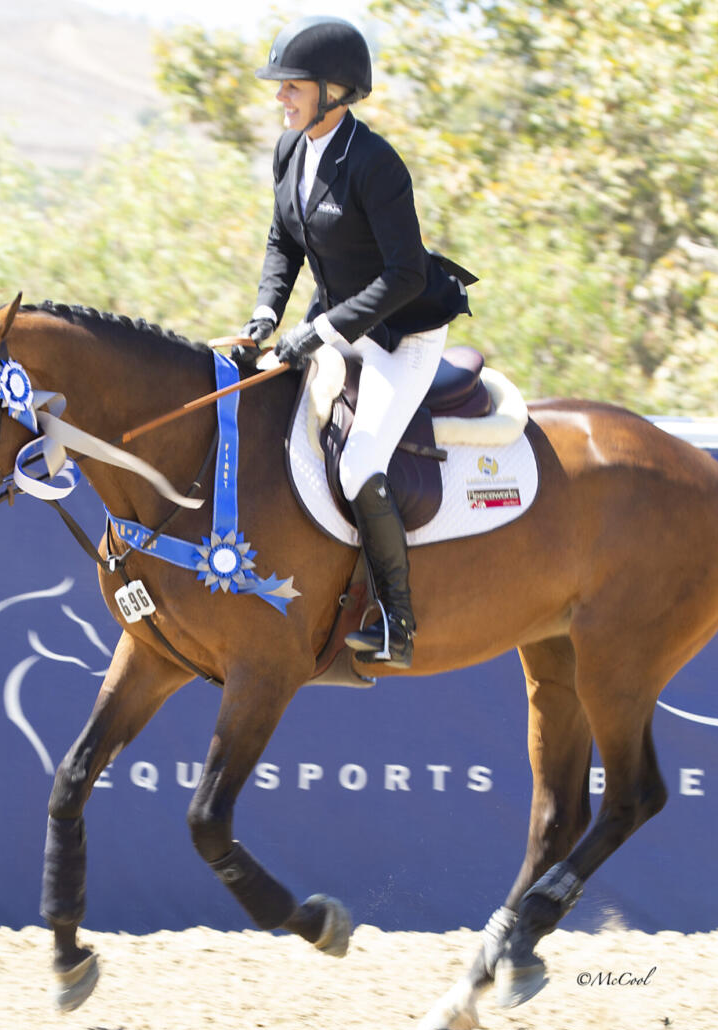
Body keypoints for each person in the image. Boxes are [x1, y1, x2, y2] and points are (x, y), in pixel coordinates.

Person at [230, 14, 474, 670]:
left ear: (333, 90)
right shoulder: (290, 150)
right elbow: (283, 241)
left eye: (291, 86)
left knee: (360, 464)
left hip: (401, 332)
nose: (279, 96)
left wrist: (319, 332)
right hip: (333, 323)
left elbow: (405, 276)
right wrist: (263, 316)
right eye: (279, 87)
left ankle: (396, 621)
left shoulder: (374, 162)